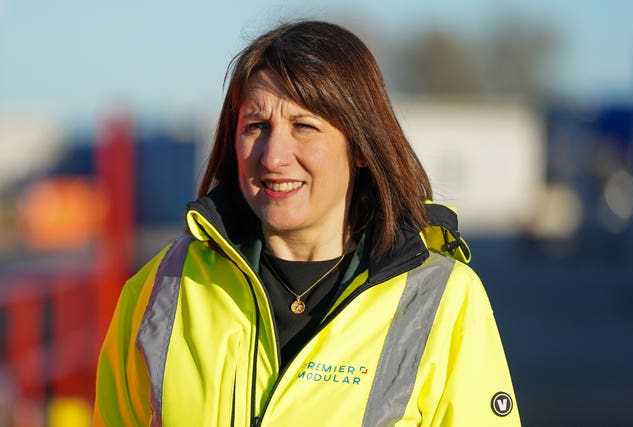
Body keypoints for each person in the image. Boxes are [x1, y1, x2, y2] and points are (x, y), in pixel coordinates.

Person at [93, 19, 520, 426]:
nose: (274, 156)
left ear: (359, 145)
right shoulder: (161, 290)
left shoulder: (441, 299)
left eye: (304, 126)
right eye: (256, 125)